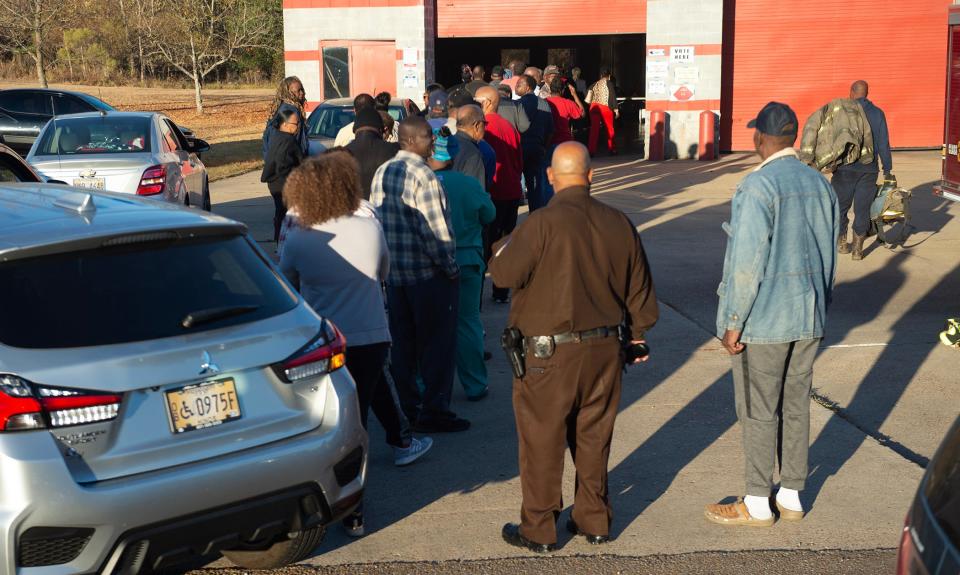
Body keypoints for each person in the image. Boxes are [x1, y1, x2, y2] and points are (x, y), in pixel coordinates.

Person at [490, 141, 658, 552]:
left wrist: (501, 245)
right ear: (591, 175)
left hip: (547, 357)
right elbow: (642, 296)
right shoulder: (619, 223)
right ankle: (594, 518)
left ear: (550, 176)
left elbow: (501, 274)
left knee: (541, 440)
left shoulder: (540, 223)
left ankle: (540, 528)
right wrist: (637, 336)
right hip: (604, 351)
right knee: (594, 436)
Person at [279, 151, 434, 537]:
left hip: (325, 341)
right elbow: (382, 272)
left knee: (330, 422)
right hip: (369, 336)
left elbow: (287, 282)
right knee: (359, 417)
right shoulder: (368, 227)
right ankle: (356, 508)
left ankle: (337, 500)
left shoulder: (299, 237)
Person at [704, 102, 838, 527]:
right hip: (808, 314)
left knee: (760, 409)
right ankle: (794, 495)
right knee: (797, 404)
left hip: (765, 321)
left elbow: (746, 262)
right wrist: (821, 308)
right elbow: (830, 256)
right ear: (793, 137)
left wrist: (732, 322)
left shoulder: (757, 187)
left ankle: (758, 501)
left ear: (760, 138)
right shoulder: (821, 185)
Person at [370, 117, 469, 433]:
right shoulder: (425, 177)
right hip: (429, 278)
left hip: (396, 278)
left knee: (403, 347)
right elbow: (437, 236)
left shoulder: (383, 172)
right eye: (428, 136)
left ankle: (409, 407)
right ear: (411, 141)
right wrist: (452, 270)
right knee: (437, 347)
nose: (433, 142)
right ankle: (435, 411)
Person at [432, 133, 496, 400]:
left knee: (433, 325)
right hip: (468, 259)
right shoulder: (468, 184)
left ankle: (430, 387)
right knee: (468, 321)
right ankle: (475, 384)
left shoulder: (424, 183)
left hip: (433, 263)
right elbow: (489, 214)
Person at [834, 80, 893, 260]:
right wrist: (887, 168)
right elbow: (883, 143)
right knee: (862, 209)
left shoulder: (842, 111)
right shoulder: (877, 113)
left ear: (852, 92)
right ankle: (857, 250)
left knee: (840, 207)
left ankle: (842, 243)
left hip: (844, 168)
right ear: (867, 93)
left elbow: (831, 139)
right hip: (869, 170)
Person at [475, 86, 523, 304]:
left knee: (486, 244)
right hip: (511, 190)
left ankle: (476, 293)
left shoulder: (483, 129)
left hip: (493, 192)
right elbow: (519, 159)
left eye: (476, 101)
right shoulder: (509, 127)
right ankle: (501, 291)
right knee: (505, 242)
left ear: (486, 103)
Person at [261, 108, 304, 242]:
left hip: (275, 182)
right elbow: (282, 164)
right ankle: (283, 242)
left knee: (281, 214)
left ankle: (279, 241)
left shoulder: (277, 136)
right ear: (284, 124)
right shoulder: (288, 140)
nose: (297, 127)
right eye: (295, 124)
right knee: (287, 215)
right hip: (283, 183)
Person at [516, 74, 555, 210]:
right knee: (536, 184)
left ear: (527, 87)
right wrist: (544, 146)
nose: (516, 86)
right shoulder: (545, 104)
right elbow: (550, 130)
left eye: (519, 84)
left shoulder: (518, 104)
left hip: (521, 149)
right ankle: (536, 212)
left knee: (517, 182)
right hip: (538, 148)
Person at [345, 108, 400, 200]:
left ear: (355, 130)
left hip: (351, 211)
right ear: (381, 129)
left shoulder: (340, 154)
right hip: (383, 211)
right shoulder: (394, 150)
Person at [262, 76, 309, 159]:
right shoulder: (291, 111)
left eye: (302, 89)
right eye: (298, 91)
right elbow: (291, 140)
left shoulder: (281, 107)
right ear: (288, 93)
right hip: (287, 162)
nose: (302, 93)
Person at [587, 67, 618, 156]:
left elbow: (588, 93)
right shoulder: (609, 83)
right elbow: (612, 96)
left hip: (594, 107)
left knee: (594, 129)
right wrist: (616, 109)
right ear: (609, 76)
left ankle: (591, 151)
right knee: (609, 128)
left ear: (600, 76)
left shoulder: (594, 84)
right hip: (605, 107)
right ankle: (612, 149)